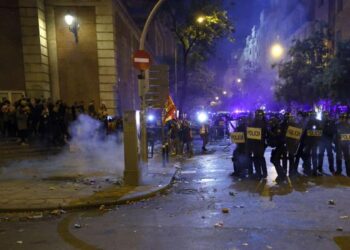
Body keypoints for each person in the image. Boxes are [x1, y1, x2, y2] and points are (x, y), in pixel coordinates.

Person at [247, 109, 268, 179]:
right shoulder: (257, 122)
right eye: (258, 115)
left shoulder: (262, 123)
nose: (259, 116)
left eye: (260, 115)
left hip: (259, 143)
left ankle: (261, 173)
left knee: (258, 158)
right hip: (256, 143)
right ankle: (261, 173)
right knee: (259, 158)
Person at [303, 111, 323, 176]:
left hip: (314, 142)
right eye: (312, 115)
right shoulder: (307, 122)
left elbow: (320, 131)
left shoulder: (317, 122)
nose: (313, 116)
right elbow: (304, 131)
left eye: (314, 115)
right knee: (308, 156)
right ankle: (308, 169)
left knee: (313, 156)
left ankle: (314, 170)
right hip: (309, 142)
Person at [267, 115, 286, 182]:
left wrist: (270, 132)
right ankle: (281, 174)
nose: (270, 124)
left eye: (271, 122)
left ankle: (282, 175)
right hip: (277, 147)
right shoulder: (274, 127)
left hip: (279, 147)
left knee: (274, 160)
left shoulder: (278, 128)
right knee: (274, 160)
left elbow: (277, 137)